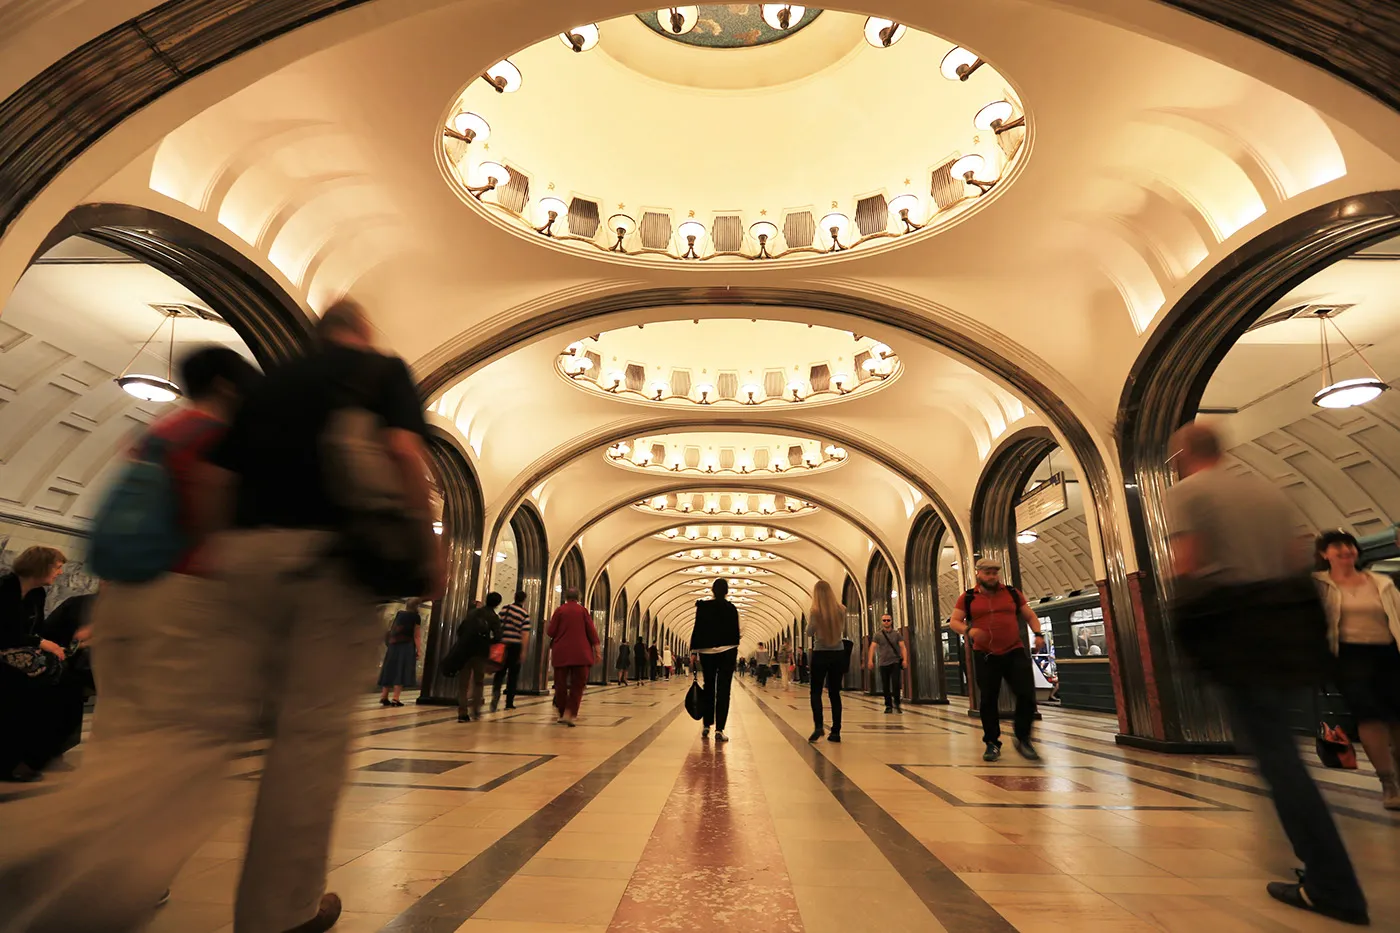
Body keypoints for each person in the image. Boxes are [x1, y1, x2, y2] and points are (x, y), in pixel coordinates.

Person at [1167, 421, 1366, 925]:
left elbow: (1187, 564)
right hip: (1283, 630)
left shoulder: (1189, 492)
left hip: (1236, 630)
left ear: (1183, 456)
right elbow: (1297, 557)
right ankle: (1323, 872)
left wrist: (1186, 631)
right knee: (1281, 751)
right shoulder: (1268, 490)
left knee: (1278, 758)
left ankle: (1332, 884)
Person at [1314, 529, 1400, 809]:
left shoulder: (1381, 582)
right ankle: (1388, 782)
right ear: (1324, 554)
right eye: (1337, 546)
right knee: (1369, 717)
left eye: (1349, 545)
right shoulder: (1320, 586)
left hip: (1388, 654)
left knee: (1397, 718)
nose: (1345, 550)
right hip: (1348, 658)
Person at [949, 557, 1043, 762]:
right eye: (987, 573)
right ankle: (992, 742)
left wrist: (1038, 634)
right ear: (978, 574)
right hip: (985, 654)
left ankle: (1023, 738)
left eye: (994, 573)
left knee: (1026, 694)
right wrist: (969, 631)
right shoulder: (968, 597)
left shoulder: (1012, 593)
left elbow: (1029, 615)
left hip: (1014, 650)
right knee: (989, 699)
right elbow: (954, 621)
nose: (992, 577)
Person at [0, 546, 68, 783]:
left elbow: (35, 630)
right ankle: (8, 762)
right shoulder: (4, 588)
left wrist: (46, 645)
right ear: (40, 566)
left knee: (60, 685)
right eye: (57, 567)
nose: (60, 573)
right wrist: (41, 644)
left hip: (11, 655)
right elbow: (6, 633)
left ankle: (36, 754)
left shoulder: (37, 593)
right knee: (20, 688)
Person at [690, 578, 740, 741]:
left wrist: (694, 651)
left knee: (709, 687)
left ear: (712, 590)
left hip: (707, 652)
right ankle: (719, 729)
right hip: (727, 651)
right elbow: (735, 633)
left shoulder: (703, 607)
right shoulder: (731, 608)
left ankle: (706, 724)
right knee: (724, 689)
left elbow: (698, 629)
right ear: (726, 591)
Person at [445, 592, 503, 722]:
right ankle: (476, 711)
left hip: (465, 651)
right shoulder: (493, 617)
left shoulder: (473, 613)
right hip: (480, 653)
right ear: (497, 604)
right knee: (478, 682)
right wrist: (487, 642)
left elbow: (460, 630)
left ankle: (462, 712)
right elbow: (498, 636)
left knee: (463, 684)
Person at [546, 587, 601, 725]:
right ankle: (570, 713)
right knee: (578, 685)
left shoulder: (559, 611)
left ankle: (562, 712)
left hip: (561, 653)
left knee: (560, 685)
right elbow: (592, 632)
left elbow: (551, 632)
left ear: (565, 597)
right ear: (579, 598)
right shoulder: (583, 611)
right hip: (581, 653)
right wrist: (597, 651)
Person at [806, 581, 848, 743]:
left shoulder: (815, 611)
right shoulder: (841, 609)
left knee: (816, 692)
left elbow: (809, 632)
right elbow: (841, 629)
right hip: (838, 653)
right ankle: (836, 731)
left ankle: (818, 726)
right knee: (834, 693)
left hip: (820, 653)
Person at [378, 598, 422, 707]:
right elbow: (416, 635)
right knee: (401, 670)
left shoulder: (399, 614)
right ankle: (395, 698)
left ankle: (384, 696)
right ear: (417, 606)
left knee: (390, 668)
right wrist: (419, 650)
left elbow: (393, 629)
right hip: (406, 646)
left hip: (393, 645)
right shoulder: (416, 617)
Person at [493, 590, 530, 712]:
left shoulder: (505, 609)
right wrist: (523, 651)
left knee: (500, 672)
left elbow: (498, 625)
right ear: (524, 600)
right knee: (513, 675)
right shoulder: (524, 614)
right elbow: (525, 634)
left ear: (514, 597)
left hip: (503, 645)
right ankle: (509, 702)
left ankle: (495, 695)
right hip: (515, 646)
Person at [867, 613, 908, 714]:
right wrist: (870, 660)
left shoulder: (897, 634)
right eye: (884, 620)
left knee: (896, 684)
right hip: (883, 663)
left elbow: (903, 647)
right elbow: (872, 647)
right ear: (882, 622)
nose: (886, 622)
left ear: (891, 621)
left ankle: (897, 704)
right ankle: (888, 705)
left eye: (888, 620)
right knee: (885, 685)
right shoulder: (878, 635)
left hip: (895, 662)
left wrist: (905, 660)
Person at [1032, 633, 1060, 704]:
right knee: (1058, 681)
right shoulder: (1038, 662)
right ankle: (1052, 695)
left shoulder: (1036, 661)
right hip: (1045, 677)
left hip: (1044, 675)